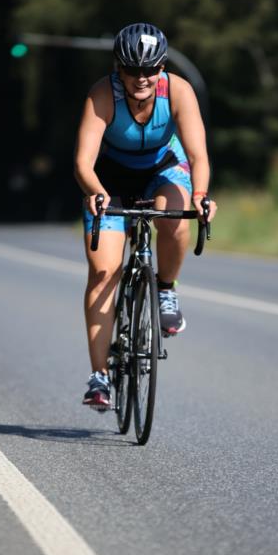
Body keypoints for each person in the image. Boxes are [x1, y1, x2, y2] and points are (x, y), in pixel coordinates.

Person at [74, 22, 217, 410]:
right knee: (104, 273)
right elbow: (83, 162)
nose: (142, 78)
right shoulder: (103, 94)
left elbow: (198, 155)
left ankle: (166, 288)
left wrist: (202, 196)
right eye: (132, 69)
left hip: (163, 167)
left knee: (172, 215)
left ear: (162, 67)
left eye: (151, 69)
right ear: (118, 67)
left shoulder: (179, 91)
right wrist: (97, 194)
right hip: (110, 177)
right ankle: (99, 376)